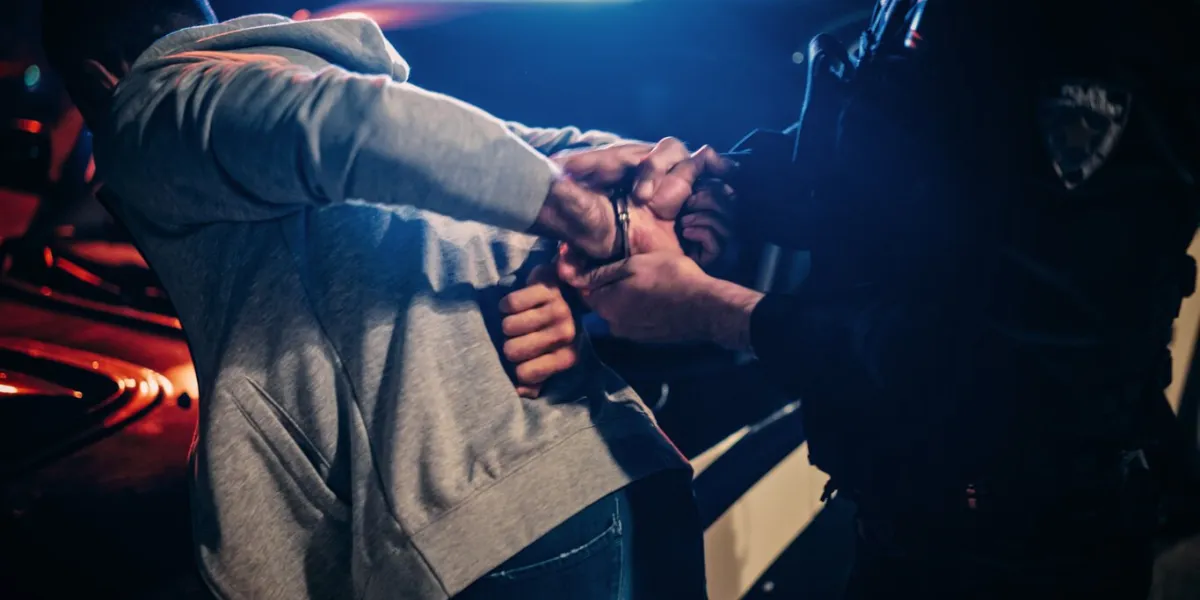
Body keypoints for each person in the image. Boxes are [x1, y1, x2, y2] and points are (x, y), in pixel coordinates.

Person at [40, 2, 732, 599]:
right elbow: (557, 156)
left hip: (496, 535)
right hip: (611, 485)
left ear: (97, 79)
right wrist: (646, 206)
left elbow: (356, 123)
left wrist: (586, 226)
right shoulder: (366, 109)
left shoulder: (151, 102)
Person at [554, 1, 1200, 598]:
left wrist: (714, 312)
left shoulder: (1109, 28)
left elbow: (1030, 355)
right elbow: (898, 162)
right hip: (905, 511)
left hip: (1029, 541)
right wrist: (725, 182)